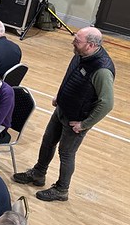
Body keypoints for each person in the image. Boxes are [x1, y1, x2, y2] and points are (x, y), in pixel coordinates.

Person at [13, 27, 115, 202]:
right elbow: (71, 77)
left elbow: (107, 103)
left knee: (66, 154)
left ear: (90, 45)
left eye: (77, 40)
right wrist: (59, 96)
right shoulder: (80, 54)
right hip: (63, 109)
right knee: (47, 142)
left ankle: (62, 189)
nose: (73, 42)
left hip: (77, 120)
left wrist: (85, 124)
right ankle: (38, 174)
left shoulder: (102, 70)